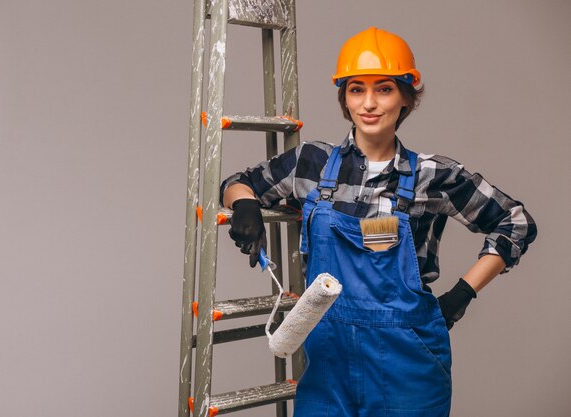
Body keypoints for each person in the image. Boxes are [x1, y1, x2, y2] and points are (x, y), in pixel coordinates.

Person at [220, 27, 537, 417]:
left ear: (406, 97)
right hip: (328, 363)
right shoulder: (310, 164)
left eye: (384, 89)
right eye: (356, 89)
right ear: (344, 98)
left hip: (406, 365)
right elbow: (237, 184)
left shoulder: (434, 176)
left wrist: (462, 295)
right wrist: (246, 206)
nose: (369, 103)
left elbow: (516, 222)